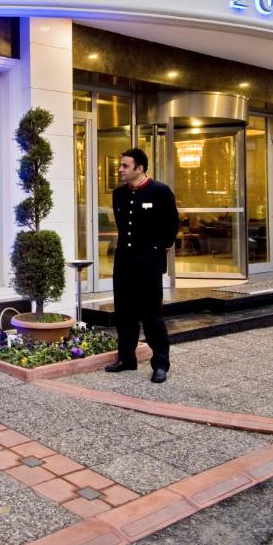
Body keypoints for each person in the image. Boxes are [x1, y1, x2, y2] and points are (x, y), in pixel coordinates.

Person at [104, 148, 180, 383]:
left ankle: (160, 364)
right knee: (124, 313)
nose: (120, 169)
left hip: (149, 263)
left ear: (140, 168)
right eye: (121, 165)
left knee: (151, 315)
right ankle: (127, 359)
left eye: (125, 166)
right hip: (125, 261)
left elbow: (172, 224)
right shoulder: (119, 193)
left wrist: (161, 248)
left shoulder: (160, 191)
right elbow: (122, 226)